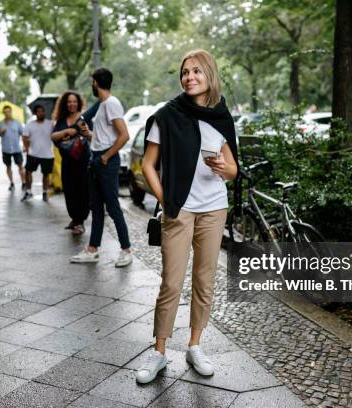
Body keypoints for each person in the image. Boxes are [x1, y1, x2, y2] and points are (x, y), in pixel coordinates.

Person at [136, 49, 239, 384]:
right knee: (171, 281)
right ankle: (159, 353)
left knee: (205, 280)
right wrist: (167, 200)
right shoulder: (167, 116)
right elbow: (147, 165)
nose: (189, 77)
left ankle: (195, 345)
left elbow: (234, 169)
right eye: (185, 72)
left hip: (214, 208)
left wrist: (226, 168)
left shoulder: (221, 118)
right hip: (179, 210)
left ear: (209, 74)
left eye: (196, 71)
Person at [71, 68, 133, 267]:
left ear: (96, 83)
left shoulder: (112, 104)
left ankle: (126, 250)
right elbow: (105, 136)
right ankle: (92, 250)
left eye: (92, 82)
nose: (92, 86)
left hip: (106, 161)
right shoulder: (102, 105)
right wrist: (90, 135)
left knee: (113, 208)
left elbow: (124, 135)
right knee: (96, 208)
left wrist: (106, 156)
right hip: (96, 159)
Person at [51, 91, 92, 233]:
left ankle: (80, 221)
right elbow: (53, 136)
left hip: (82, 162)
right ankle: (74, 219)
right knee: (69, 190)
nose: (72, 104)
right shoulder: (62, 119)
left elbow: (91, 136)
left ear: (78, 103)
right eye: (69, 102)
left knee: (82, 190)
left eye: (74, 101)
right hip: (67, 161)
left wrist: (84, 131)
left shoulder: (83, 118)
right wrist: (67, 131)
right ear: (65, 104)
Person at [21, 105, 54, 202]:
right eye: (38, 112)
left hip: (47, 154)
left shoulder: (50, 124)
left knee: (46, 174)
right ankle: (28, 191)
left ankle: (44, 192)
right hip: (33, 154)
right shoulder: (30, 124)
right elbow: (24, 136)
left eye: (42, 111)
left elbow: (56, 134)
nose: (41, 113)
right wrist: (27, 148)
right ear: (35, 113)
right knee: (28, 172)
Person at [0, 105, 25, 191]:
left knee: (20, 166)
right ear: (3, 113)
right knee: (8, 166)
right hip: (6, 149)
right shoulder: (0, 124)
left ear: (11, 112)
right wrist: (1, 132)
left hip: (16, 148)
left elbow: (23, 134)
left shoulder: (17, 123)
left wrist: (25, 146)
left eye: (9, 111)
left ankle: (23, 182)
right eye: (5, 112)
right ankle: (11, 183)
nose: (7, 113)